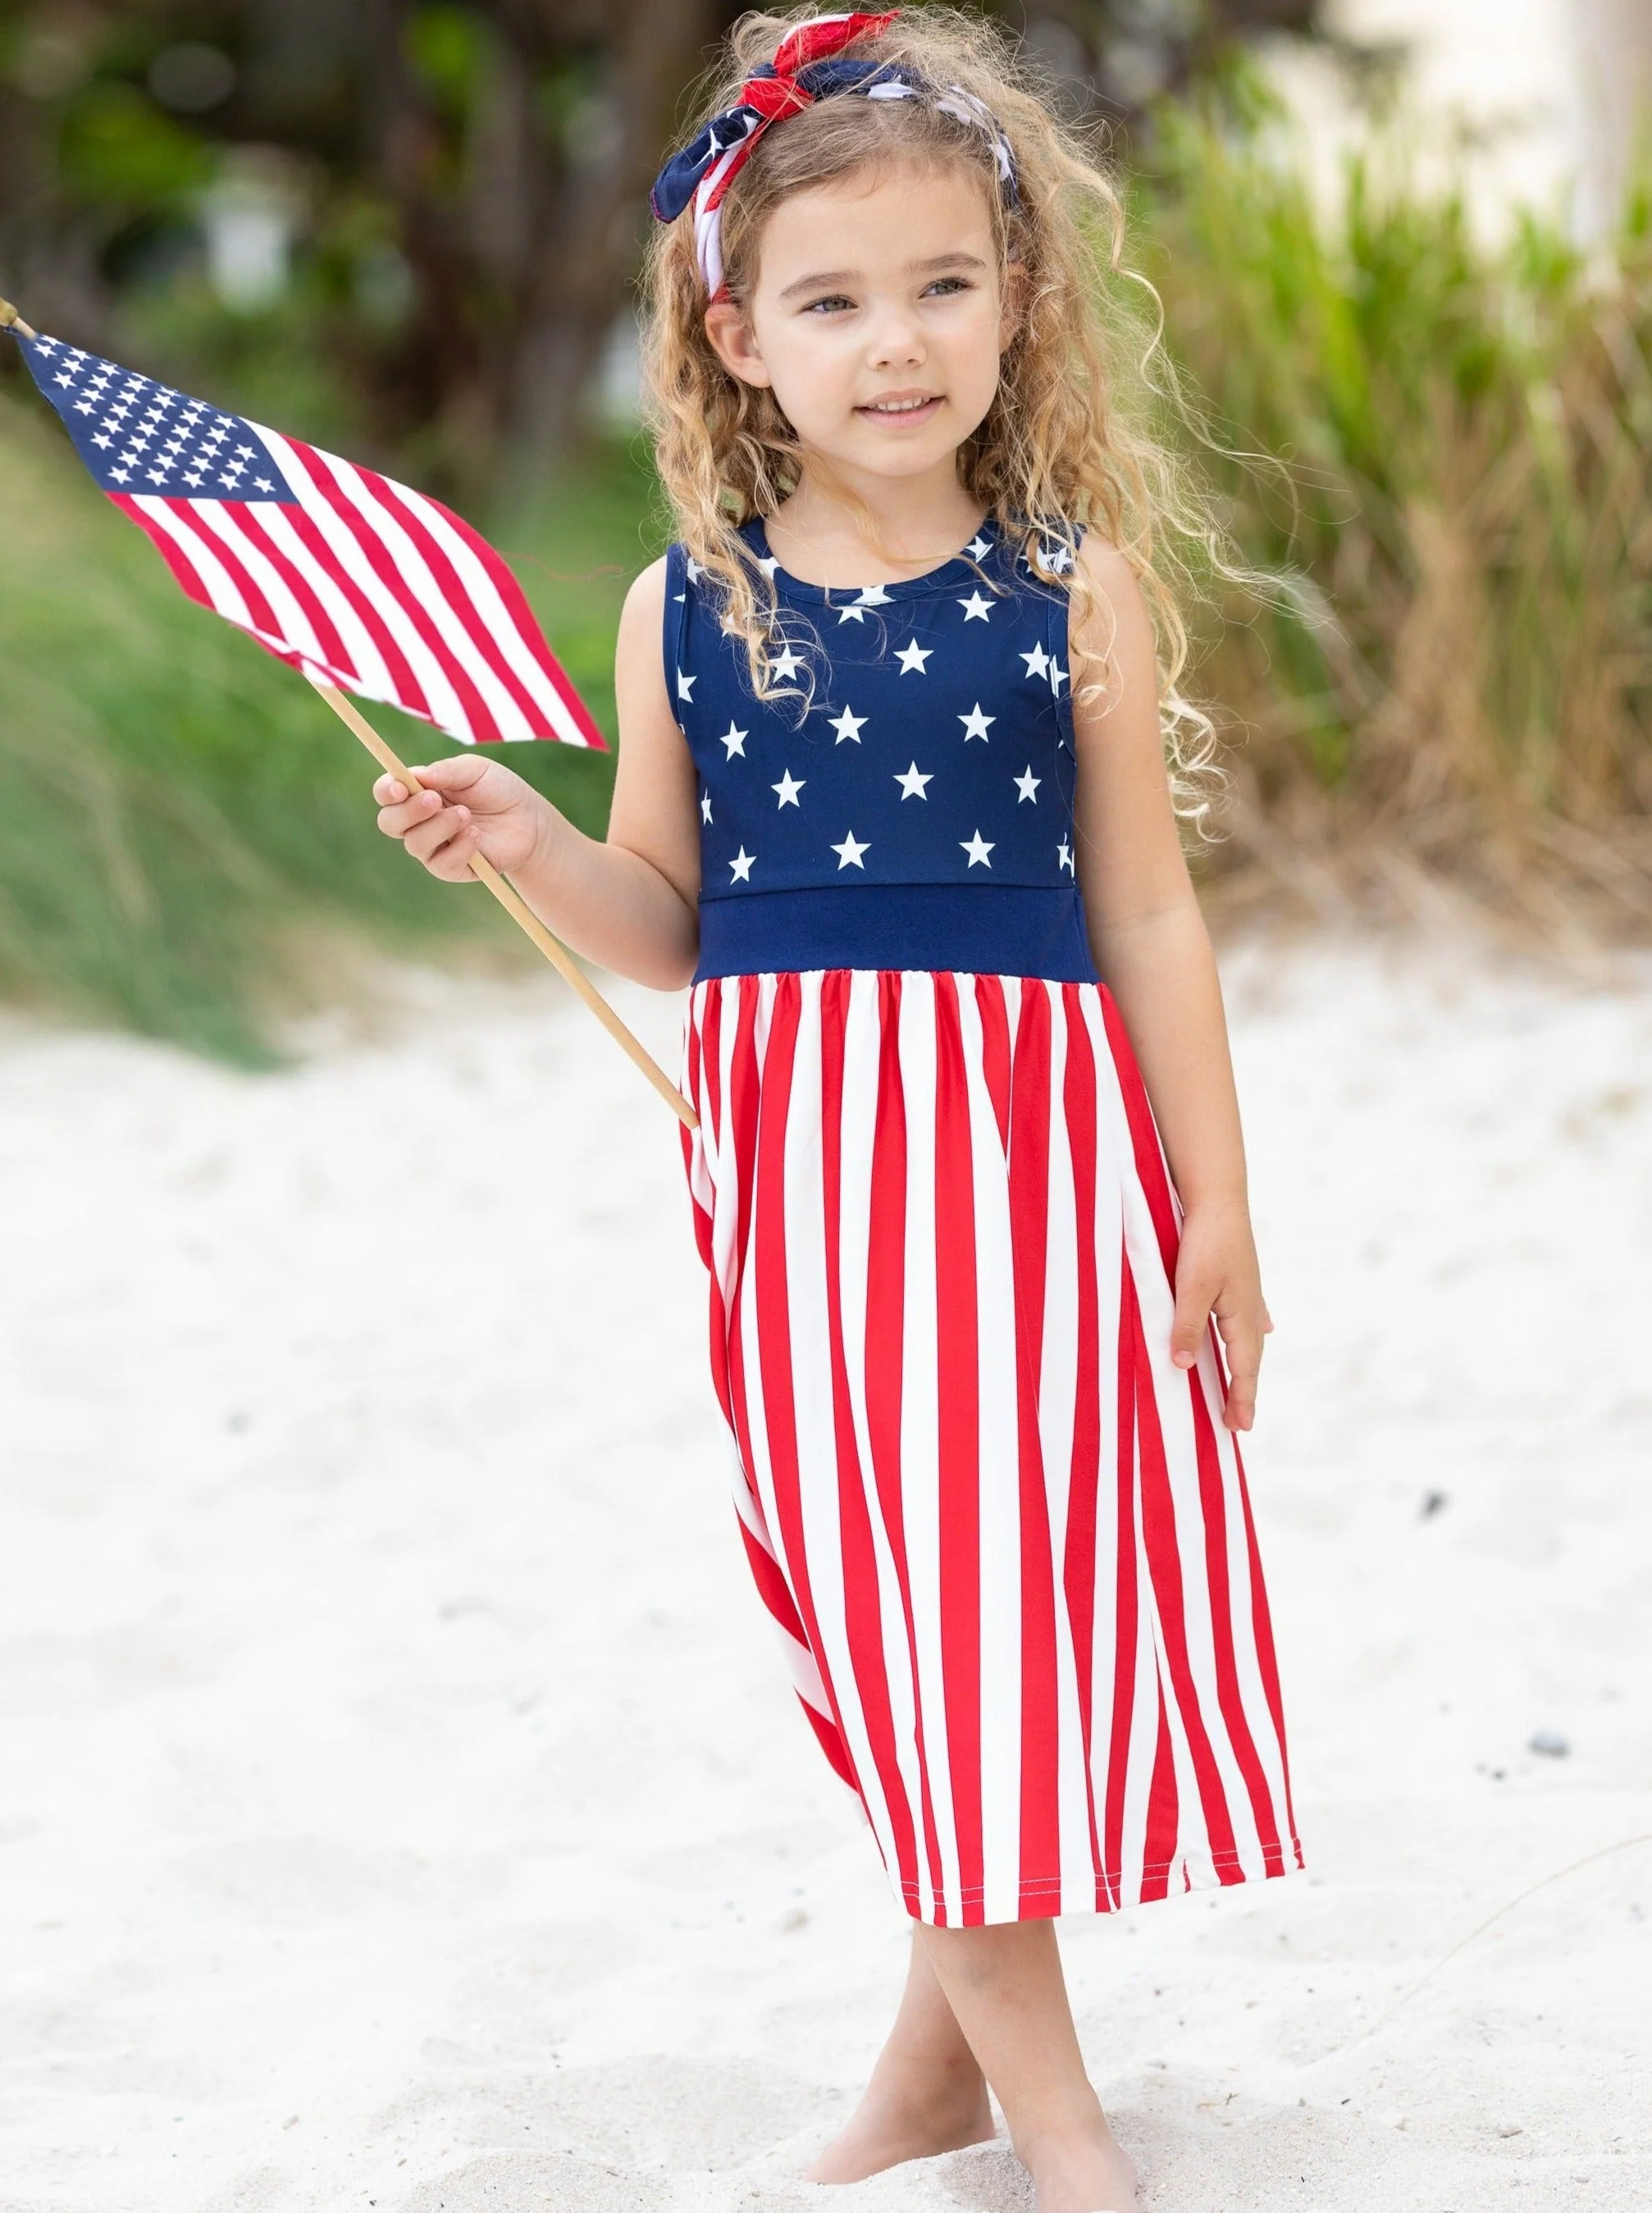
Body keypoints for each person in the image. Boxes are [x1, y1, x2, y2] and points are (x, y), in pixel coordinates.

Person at [372, 10, 1303, 2207]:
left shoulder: (1072, 591)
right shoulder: (687, 607)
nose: (895, 343)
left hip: (1041, 1165)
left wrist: (1219, 1201)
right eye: (831, 300)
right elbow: (668, 924)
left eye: (942, 285)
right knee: (912, 1613)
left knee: (1006, 1607)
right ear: (737, 336)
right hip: (813, 1184)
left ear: (1018, 298)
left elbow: (1147, 913)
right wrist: (525, 844)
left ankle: (941, 2087)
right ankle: (1044, 2115)